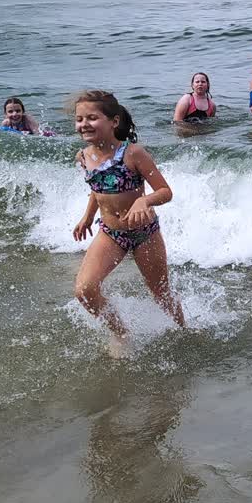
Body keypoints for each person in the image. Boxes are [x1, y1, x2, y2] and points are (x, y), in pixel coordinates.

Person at [71, 90, 184, 357]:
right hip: (111, 233)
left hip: (145, 233)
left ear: (114, 121)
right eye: (79, 119)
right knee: (84, 290)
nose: (84, 124)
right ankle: (121, 333)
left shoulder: (133, 153)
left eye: (92, 118)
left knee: (160, 292)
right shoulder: (83, 156)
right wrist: (88, 216)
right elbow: (98, 188)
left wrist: (144, 201)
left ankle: (184, 331)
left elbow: (165, 192)